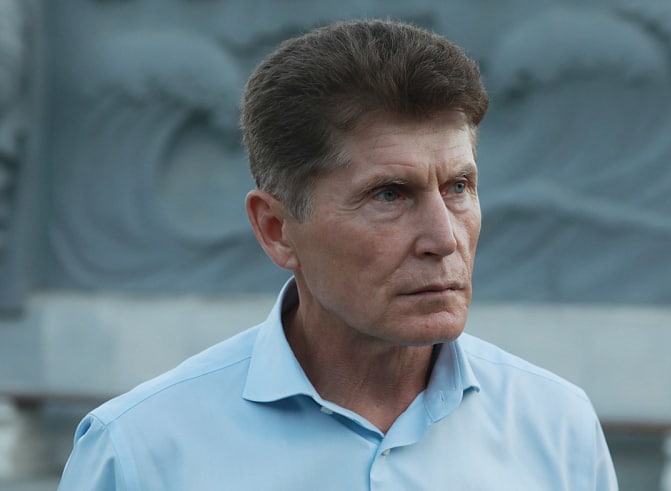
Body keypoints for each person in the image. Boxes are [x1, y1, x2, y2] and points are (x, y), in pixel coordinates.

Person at [58, 19, 618, 490]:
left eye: (459, 187)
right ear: (276, 229)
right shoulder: (138, 452)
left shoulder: (559, 428)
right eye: (390, 195)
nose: (445, 238)